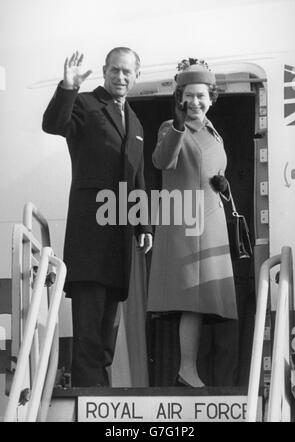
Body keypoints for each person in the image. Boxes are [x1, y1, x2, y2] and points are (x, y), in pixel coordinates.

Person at [42, 48, 152, 387]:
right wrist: (67, 87)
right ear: (105, 71)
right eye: (115, 70)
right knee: (89, 321)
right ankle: (89, 394)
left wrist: (143, 224)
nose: (121, 77)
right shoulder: (86, 104)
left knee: (107, 326)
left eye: (127, 72)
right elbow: (53, 125)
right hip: (89, 235)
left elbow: (137, 178)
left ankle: (100, 391)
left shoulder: (135, 121)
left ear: (136, 75)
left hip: (118, 237)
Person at [147, 58, 237, 387]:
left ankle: (189, 370)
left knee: (202, 303)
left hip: (211, 222)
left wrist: (223, 183)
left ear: (211, 98)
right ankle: (187, 370)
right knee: (191, 301)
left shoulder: (214, 132)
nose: (195, 102)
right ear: (180, 99)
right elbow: (161, 161)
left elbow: (212, 169)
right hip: (185, 224)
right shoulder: (171, 129)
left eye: (201, 96)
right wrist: (179, 126)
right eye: (189, 96)